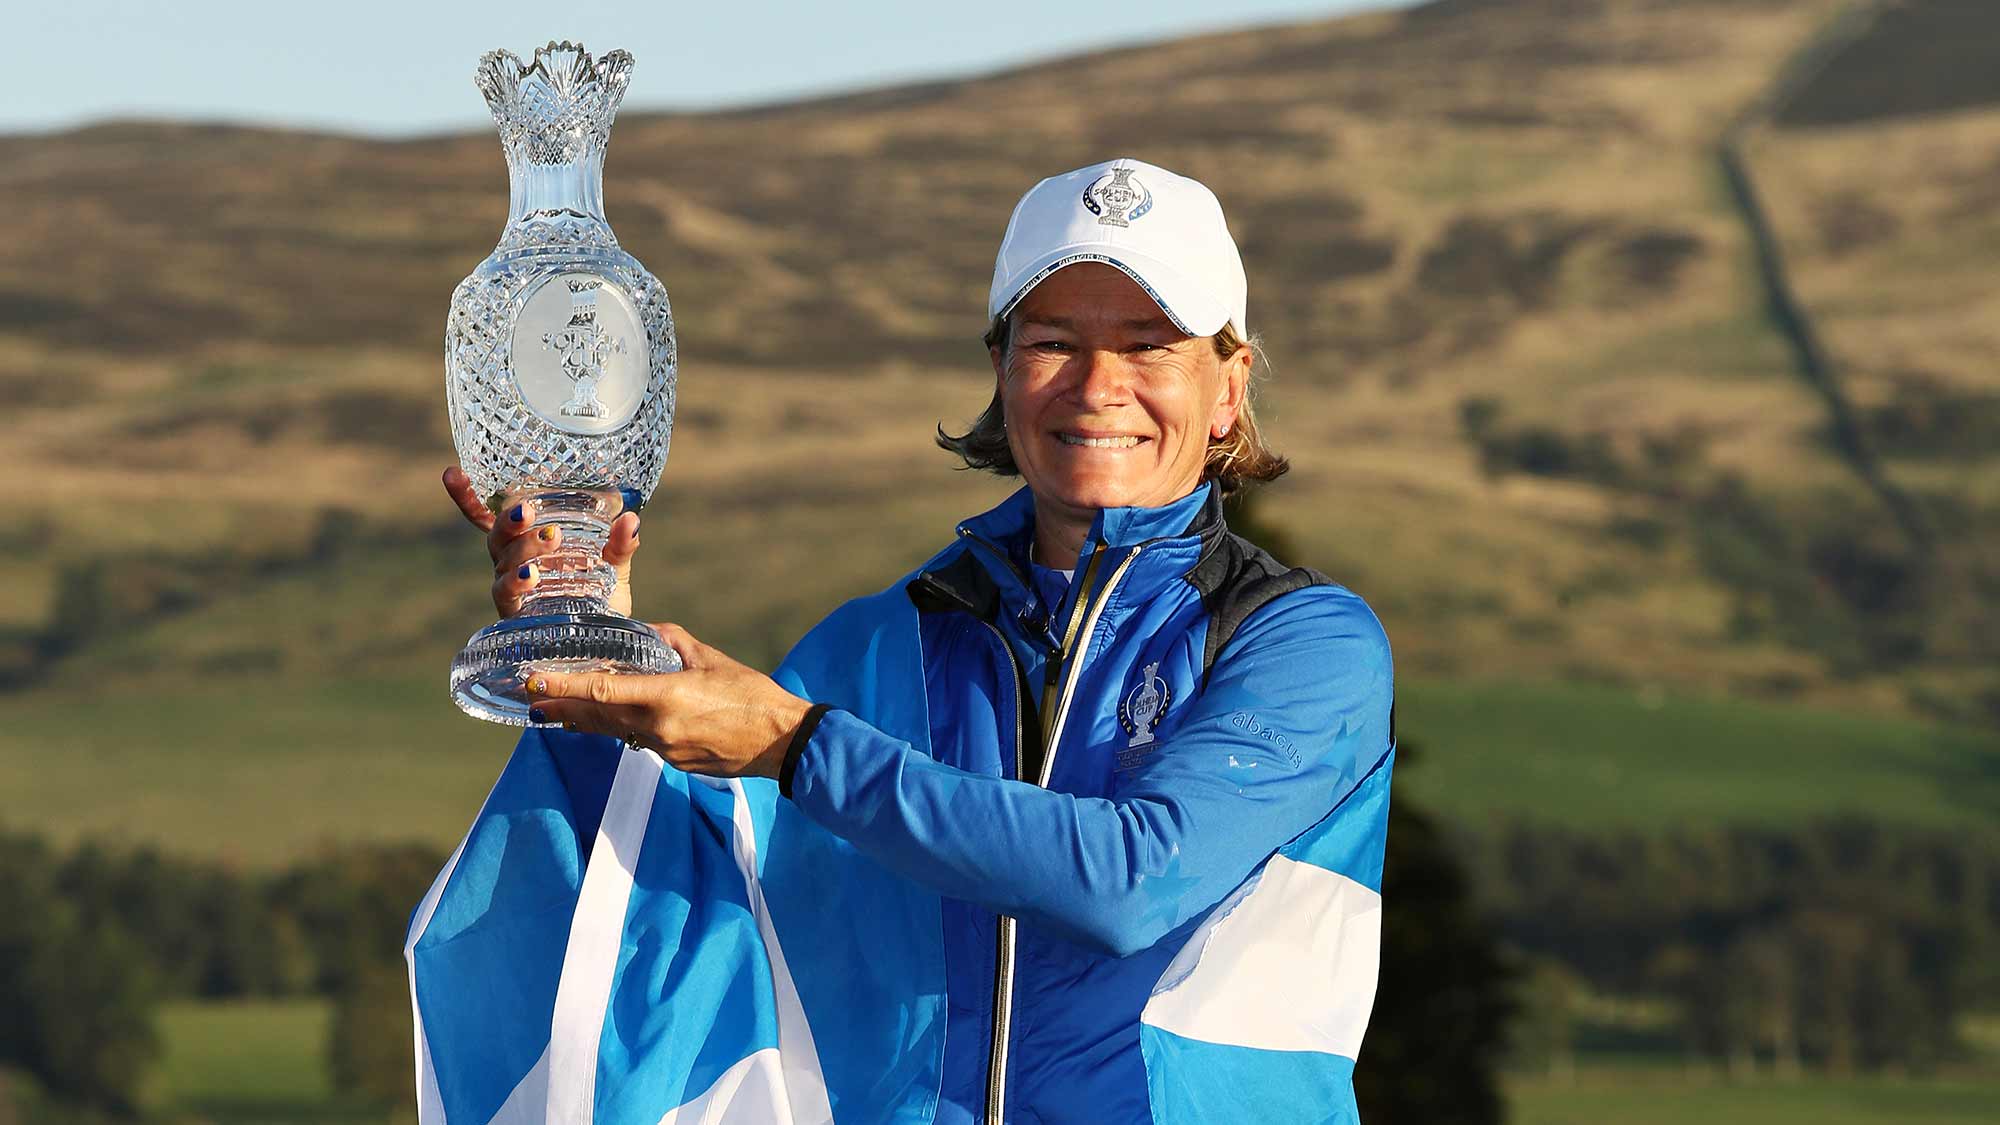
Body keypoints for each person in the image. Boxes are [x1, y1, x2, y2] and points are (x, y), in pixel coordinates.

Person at [426, 157, 1394, 1123]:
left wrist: (797, 745)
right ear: (1002, 372)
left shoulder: (1301, 643)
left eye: (1149, 347)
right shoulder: (874, 644)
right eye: (1053, 341)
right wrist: (592, 660)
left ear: (1227, 387)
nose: (1098, 387)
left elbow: (1130, 884)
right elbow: (681, 889)